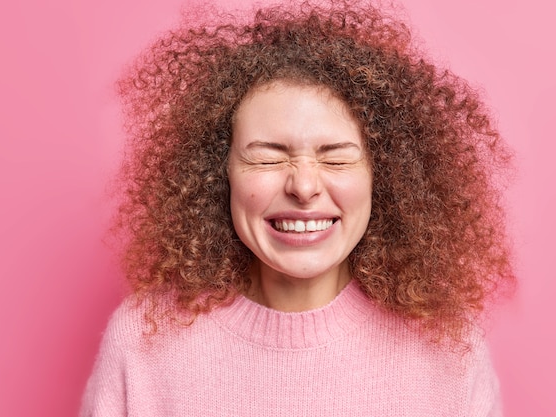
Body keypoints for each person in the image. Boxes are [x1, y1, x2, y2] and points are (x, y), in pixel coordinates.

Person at [81, 0, 515, 415]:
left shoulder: (449, 352)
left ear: (383, 175)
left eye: (337, 157)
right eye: (268, 156)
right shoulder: (144, 343)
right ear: (220, 171)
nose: (304, 187)